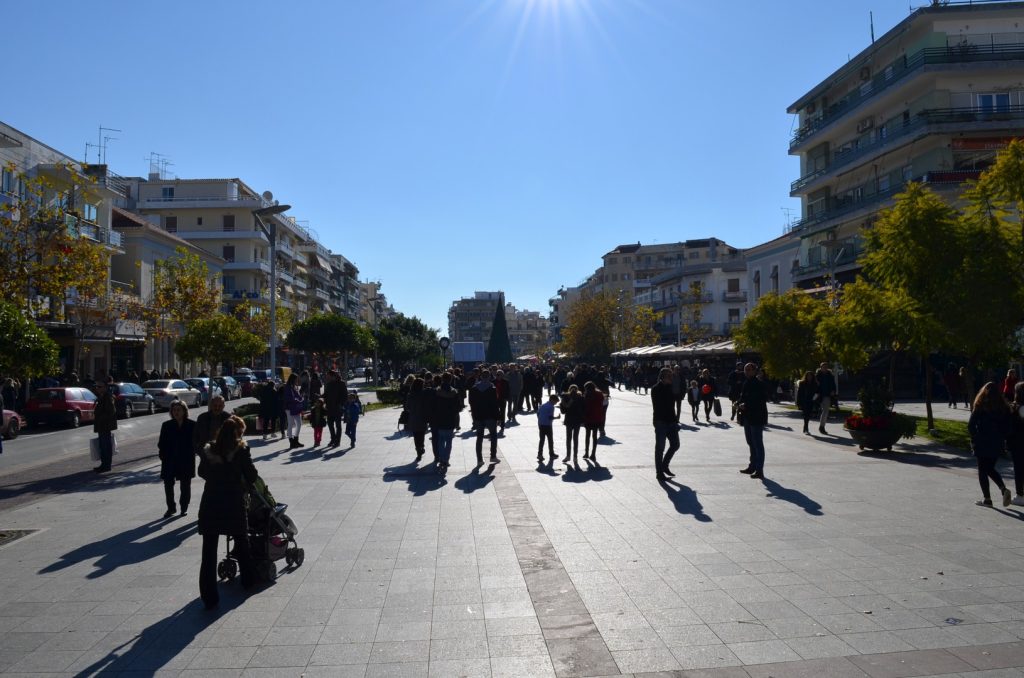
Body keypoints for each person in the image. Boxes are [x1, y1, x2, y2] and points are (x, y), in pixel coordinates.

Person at [197, 415, 257, 609]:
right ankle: (248, 581)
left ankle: (209, 596)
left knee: (209, 551)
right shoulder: (241, 450)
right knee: (241, 539)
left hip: (211, 502)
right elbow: (252, 475)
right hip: (233, 501)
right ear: (237, 433)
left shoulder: (208, 450)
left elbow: (202, 472)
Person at [969, 382, 1013, 508]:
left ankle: (987, 499)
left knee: (983, 470)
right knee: (989, 468)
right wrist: (1002, 438)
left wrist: (974, 437)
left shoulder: (981, 405)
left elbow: (971, 424)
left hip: (982, 441)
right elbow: (1008, 428)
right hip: (997, 442)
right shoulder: (1004, 407)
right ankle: (1003, 489)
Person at [158, 400, 196, 517]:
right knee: (168, 484)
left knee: (185, 485)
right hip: (169, 459)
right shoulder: (166, 425)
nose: (176, 412)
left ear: (184, 411)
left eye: (179, 410)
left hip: (186, 460)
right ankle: (171, 507)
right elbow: (161, 443)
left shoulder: (192, 425)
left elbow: (196, 442)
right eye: (174, 410)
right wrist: (163, 456)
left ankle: (184, 507)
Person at [738, 362, 769, 479]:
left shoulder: (759, 384)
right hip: (747, 417)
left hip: (757, 417)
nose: (746, 371)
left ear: (755, 371)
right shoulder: (746, 383)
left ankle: (759, 469)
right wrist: (739, 402)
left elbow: (760, 400)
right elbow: (743, 397)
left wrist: (746, 404)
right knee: (751, 442)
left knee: (758, 444)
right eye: (745, 370)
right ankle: (752, 466)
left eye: (749, 369)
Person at [651, 367, 679, 481]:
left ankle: (664, 465)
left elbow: (676, 400)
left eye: (671, 375)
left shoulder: (670, 387)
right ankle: (659, 473)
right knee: (660, 448)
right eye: (669, 375)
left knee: (675, 445)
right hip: (661, 421)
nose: (671, 377)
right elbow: (660, 405)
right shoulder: (656, 389)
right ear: (663, 377)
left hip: (671, 422)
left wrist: (676, 421)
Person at [468, 371, 500, 466]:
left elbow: (471, 402)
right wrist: (498, 417)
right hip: (490, 415)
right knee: (493, 435)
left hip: (478, 416)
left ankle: (479, 459)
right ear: (489, 377)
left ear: (481, 377)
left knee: (479, 437)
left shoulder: (474, 389)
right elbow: (495, 404)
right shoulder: (492, 388)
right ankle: (493, 456)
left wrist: (474, 414)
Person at [432, 373, 461, 475]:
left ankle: (441, 458)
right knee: (449, 441)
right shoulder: (454, 392)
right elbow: (458, 407)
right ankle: (446, 459)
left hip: (439, 419)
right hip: (450, 419)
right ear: (451, 379)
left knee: (440, 440)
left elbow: (433, 406)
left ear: (442, 379)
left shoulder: (436, 391)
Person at [93, 379, 117, 473]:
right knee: (102, 446)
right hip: (102, 425)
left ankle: (106, 465)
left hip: (105, 426)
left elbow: (111, 411)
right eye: (96, 386)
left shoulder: (108, 397)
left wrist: (100, 418)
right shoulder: (101, 396)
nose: (97, 388)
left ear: (105, 388)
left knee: (105, 446)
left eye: (99, 387)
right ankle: (104, 464)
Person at [1006, 382, 1024, 506]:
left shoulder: (1016, 407)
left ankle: (1020, 495)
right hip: (1018, 442)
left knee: (1018, 469)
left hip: (1017, 443)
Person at [405, 377, 430, 460]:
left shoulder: (410, 394)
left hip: (413, 417)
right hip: (422, 417)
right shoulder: (424, 394)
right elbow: (427, 406)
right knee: (421, 434)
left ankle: (418, 450)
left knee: (416, 435)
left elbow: (407, 407)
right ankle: (421, 447)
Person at [560, 384, 584, 464]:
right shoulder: (581, 398)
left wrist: (562, 402)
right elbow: (583, 409)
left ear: (569, 390)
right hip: (577, 420)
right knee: (575, 439)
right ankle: (575, 457)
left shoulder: (566, 397)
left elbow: (563, 411)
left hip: (569, 420)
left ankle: (568, 456)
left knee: (568, 439)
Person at [582, 381, 605, 462]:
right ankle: (593, 454)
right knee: (594, 436)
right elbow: (602, 404)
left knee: (587, 436)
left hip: (589, 417)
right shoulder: (599, 394)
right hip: (597, 417)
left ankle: (586, 453)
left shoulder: (587, 395)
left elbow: (585, 407)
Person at [815, 362, 837, 435]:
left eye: (826, 367)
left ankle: (822, 427)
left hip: (827, 395)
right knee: (823, 411)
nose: (825, 368)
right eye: (823, 367)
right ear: (820, 368)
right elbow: (815, 385)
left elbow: (833, 384)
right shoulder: (817, 376)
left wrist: (833, 391)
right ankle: (820, 426)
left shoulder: (830, 375)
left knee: (825, 411)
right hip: (819, 395)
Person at [324, 370, 345, 447]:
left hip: (337, 408)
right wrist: (321, 396)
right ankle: (333, 439)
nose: (327, 377)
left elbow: (344, 395)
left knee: (338, 425)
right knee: (330, 424)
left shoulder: (341, 383)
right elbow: (326, 394)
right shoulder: (329, 384)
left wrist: (341, 404)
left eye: (328, 375)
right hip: (329, 407)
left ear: (333, 376)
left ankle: (337, 441)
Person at [537, 394, 560, 463]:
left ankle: (539, 454)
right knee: (550, 440)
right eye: (555, 402)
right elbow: (550, 417)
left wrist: (541, 420)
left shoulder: (542, 405)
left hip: (541, 424)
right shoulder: (551, 407)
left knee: (542, 440)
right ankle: (551, 454)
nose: (555, 403)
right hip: (547, 425)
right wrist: (557, 417)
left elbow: (538, 414)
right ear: (552, 400)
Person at [283, 374, 304, 449]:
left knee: (299, 423)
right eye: (296, 379)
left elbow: (297, 396)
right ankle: (291, 441)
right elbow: (289, 398)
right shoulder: (288, 387)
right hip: (289, 408)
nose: (297, 381)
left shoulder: (293, 387)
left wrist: (301, 398)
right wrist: (298, 400)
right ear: (292, 379)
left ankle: (296, 440)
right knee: (291, 424)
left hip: (295, 407)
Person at [796, 371, 816, 435]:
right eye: (808, 376)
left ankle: (805, 428)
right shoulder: (802, 383)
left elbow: (817, 392)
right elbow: (799, 394)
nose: (809, 377)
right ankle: (806, 428)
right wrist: (798, 403)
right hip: (804, 401)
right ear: (806, 376)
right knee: (806, 415)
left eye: (811, 376)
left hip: (811, 401)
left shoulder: (814, 383)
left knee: (808, 415)